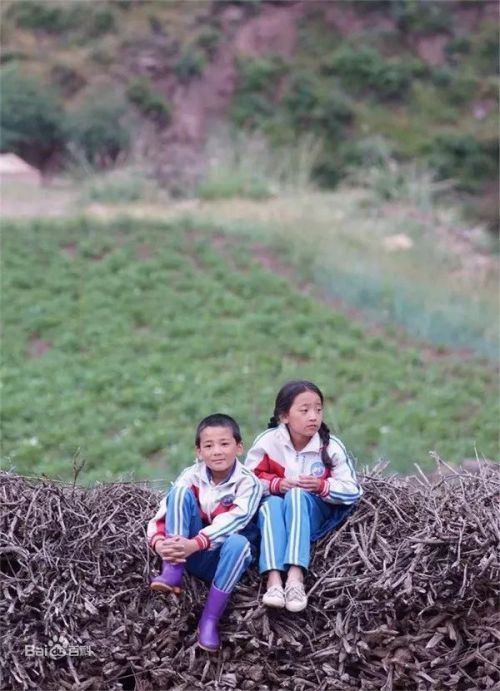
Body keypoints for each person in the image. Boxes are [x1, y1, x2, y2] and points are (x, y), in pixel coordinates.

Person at [147, 413, 262, 652]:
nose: (217, 451)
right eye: (208, 446)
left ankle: (209, 620)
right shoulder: (191, 475)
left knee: (239, 543)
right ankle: (172, 571)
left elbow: (235, 520)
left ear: (239, 447)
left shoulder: (248, 483)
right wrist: (159, 544)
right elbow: (164, 512)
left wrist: (196, 543)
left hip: (222, 561)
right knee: (178, 494)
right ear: (199, 452)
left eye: (224, 444)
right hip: (185, 553)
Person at [245, 380, 362, 613]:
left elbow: (353, 489)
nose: (313, 417)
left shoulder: (330, 446)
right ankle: (274, 580)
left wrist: (322, 486)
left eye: (318, 410)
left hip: (315, 512)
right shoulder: (267, 443)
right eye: (305, 410)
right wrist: (277, 484)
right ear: (284, 416)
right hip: (276, 510)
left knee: (297, 495)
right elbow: (246, 484)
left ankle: (296, 579)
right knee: (271, 506)